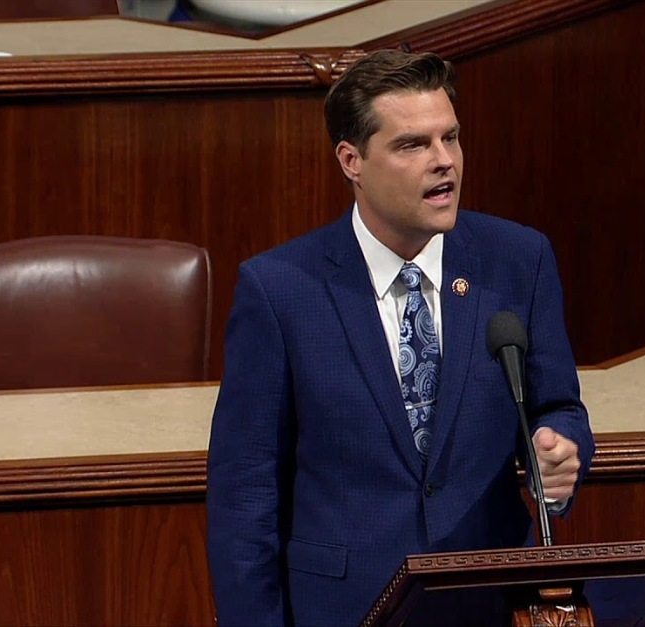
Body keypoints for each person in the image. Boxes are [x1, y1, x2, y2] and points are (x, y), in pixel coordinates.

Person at [206, 49, 594, 627]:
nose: (444, 162)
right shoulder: (281, 290)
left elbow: (557, 407)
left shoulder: (518, 260)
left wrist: (560, 455)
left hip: (488, 603)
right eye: (413, 145)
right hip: (345, 608)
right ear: (352, 160)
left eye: (451, 138)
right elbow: (245, 493)